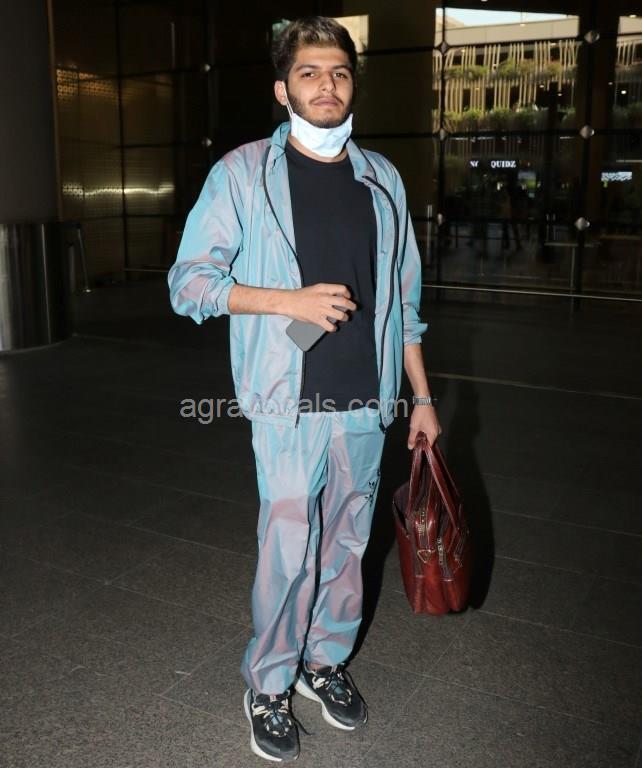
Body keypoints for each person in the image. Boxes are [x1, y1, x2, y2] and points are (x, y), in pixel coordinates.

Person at [168, 16, 440, 764]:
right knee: (290, 548)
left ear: (354, 85)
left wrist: (420, 398)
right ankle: (268, 682)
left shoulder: (382, 179)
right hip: (287, 399)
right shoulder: (242, 174)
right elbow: (189, 284)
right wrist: (288, 301)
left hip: (368, 399)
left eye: (340, 72)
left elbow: (405, 304)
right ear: (283, 89)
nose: (327, 85)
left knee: (349, 543)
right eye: (310, 73)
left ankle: (324, 661)